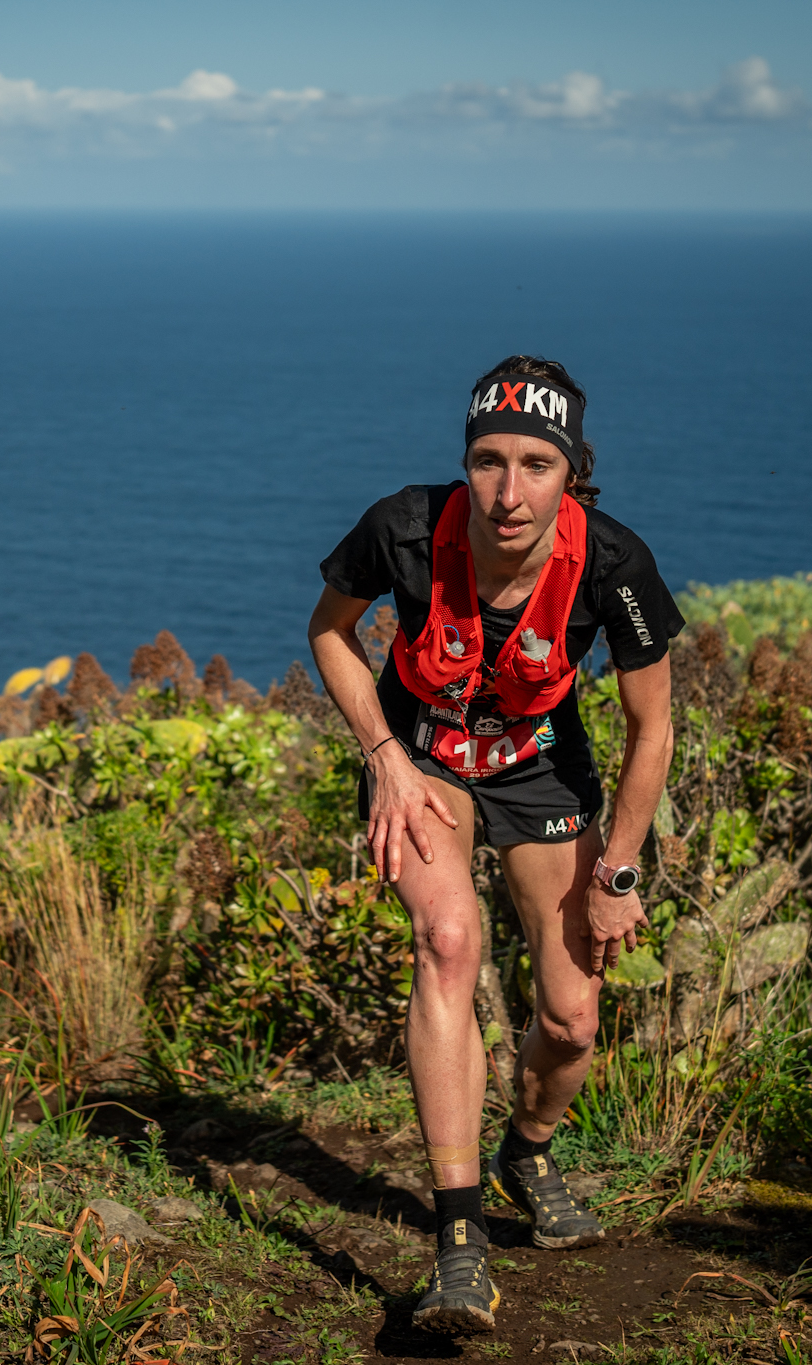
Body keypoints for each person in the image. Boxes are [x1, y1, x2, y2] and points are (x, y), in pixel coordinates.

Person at [306, 355, 681, 1335]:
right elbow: (329, 632)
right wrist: (383, 757)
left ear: (571, 473)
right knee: (447, 942)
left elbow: (653, 728)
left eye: (535, 465)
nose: (507, 492)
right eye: (487, 461)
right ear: (464, 460)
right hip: (421, 751)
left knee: (571, 1019)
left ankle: (527, 1149)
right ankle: (459, 1237)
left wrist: (618, 870)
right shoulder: (402, 528)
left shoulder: (612, 564)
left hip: (537, 761)